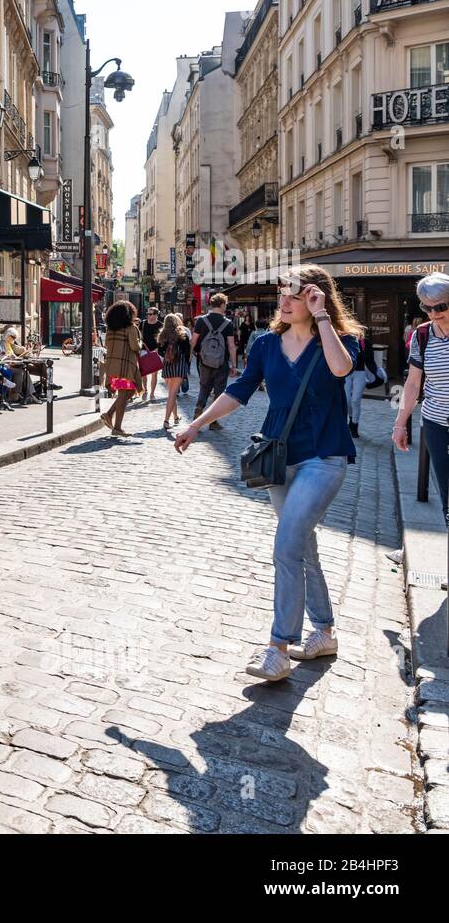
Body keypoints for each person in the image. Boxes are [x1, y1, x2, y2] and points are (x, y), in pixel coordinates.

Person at [175, 264, 361, 682]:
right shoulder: (264, 345)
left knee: (286, 543)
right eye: (283, 294)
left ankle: (279, 647)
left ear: (317, 298)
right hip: (278, 457)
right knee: (301, 545)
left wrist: (324, 318)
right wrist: (195, 424)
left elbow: (341, 370)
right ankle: (325, 630)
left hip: (324, 457)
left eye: (294, 295)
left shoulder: (341, 340)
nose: (285, 301)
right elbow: (237, 393)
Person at [394, 273, 449, 515]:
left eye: (441, 307)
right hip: (436, 423)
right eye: (427, 307)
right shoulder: (423, 335)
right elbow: (413, 383)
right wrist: (400, 424)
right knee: (447, 492)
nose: (434, 313)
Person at [190, 293, 237, 429]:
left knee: (204, 387)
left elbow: (193, 341)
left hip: (204, 361)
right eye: (225, 304)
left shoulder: (201, 321)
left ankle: (198, 411)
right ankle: (213, 421)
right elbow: (231, 346)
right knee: (219, 390)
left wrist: (189, 357)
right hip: (221, 362)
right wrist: (234, 365)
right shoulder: (227, 323)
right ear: (222, 304)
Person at [99, 301, 142, 437]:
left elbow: (106, 344)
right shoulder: (131, 328)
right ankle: (117, 427)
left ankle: (109, 414)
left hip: (112, 366)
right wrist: (140, 342)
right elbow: (135, 347)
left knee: (128, 392)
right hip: (125, 367)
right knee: (124, 394)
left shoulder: (110, 329)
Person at [155, 313, 191, 430]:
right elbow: (187, 352)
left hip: (167, 366)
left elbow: (160, 352)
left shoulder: (162, 336)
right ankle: (166, 420)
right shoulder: (182, 335)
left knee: (171, 392)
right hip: (179, 366)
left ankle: (175, 417)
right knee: (172, 393)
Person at [140, 307, 163, 402]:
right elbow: (139, 336)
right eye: (148, 314)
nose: (148, 316)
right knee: (143, 373)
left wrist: (157, 350)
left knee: (154, 373)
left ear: (156, 315)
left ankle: (152, 393)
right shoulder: (143, 323)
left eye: (150, 314)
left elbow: (162, 340)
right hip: (144, 350)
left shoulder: (160, 325)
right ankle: (145, 389)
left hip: (156, 351)